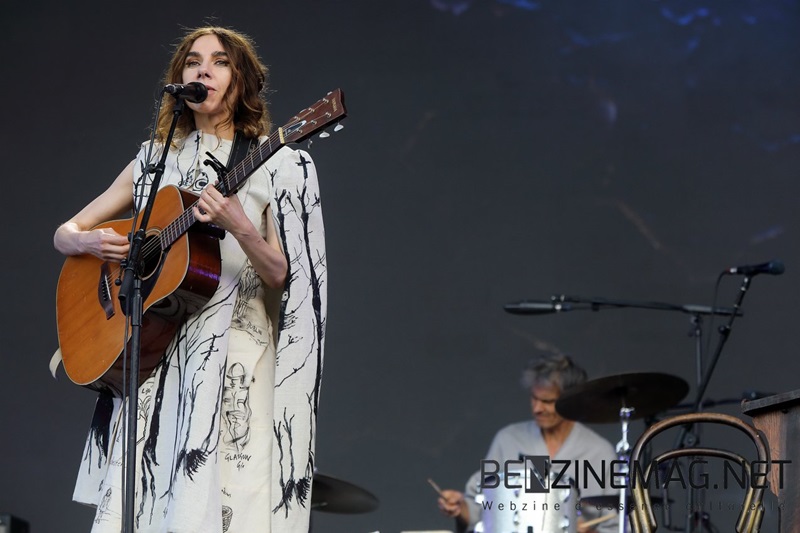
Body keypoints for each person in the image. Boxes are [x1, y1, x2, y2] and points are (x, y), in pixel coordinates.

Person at [53, 26, 327, 533]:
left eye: (220, 62)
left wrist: (239, 225)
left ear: (241, 81)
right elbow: (66, 232)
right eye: (193, 61)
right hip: (157, 353)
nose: (203, 69)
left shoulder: (278, 162)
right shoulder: (154, 158)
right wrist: (86, 241)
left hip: (233, 358)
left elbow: (283, 274)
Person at [437, 354, 620, 533]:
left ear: (570, 399)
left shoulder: (599, 451)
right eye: (534, 398)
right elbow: (482, 511)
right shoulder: (508, 439)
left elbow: (616, 523)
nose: (537, 408)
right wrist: (460, 507)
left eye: (547, 401)